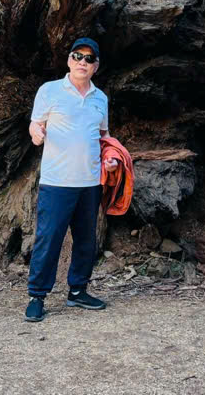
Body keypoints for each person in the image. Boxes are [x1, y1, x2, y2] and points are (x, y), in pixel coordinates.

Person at [24, 36, 117, 323]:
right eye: (78, 56)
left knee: (86, 241)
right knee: (49, 239)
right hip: (56, 182)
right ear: (69, 60)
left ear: (96, 66)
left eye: (89, 59)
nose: (82, 62)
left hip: (89, 183)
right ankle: (37, 296)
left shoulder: (100, 98)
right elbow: (35, 124)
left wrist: (110, 160)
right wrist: (36, 133)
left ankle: (78, 291)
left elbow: (103, 137)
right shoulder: (50, 91)